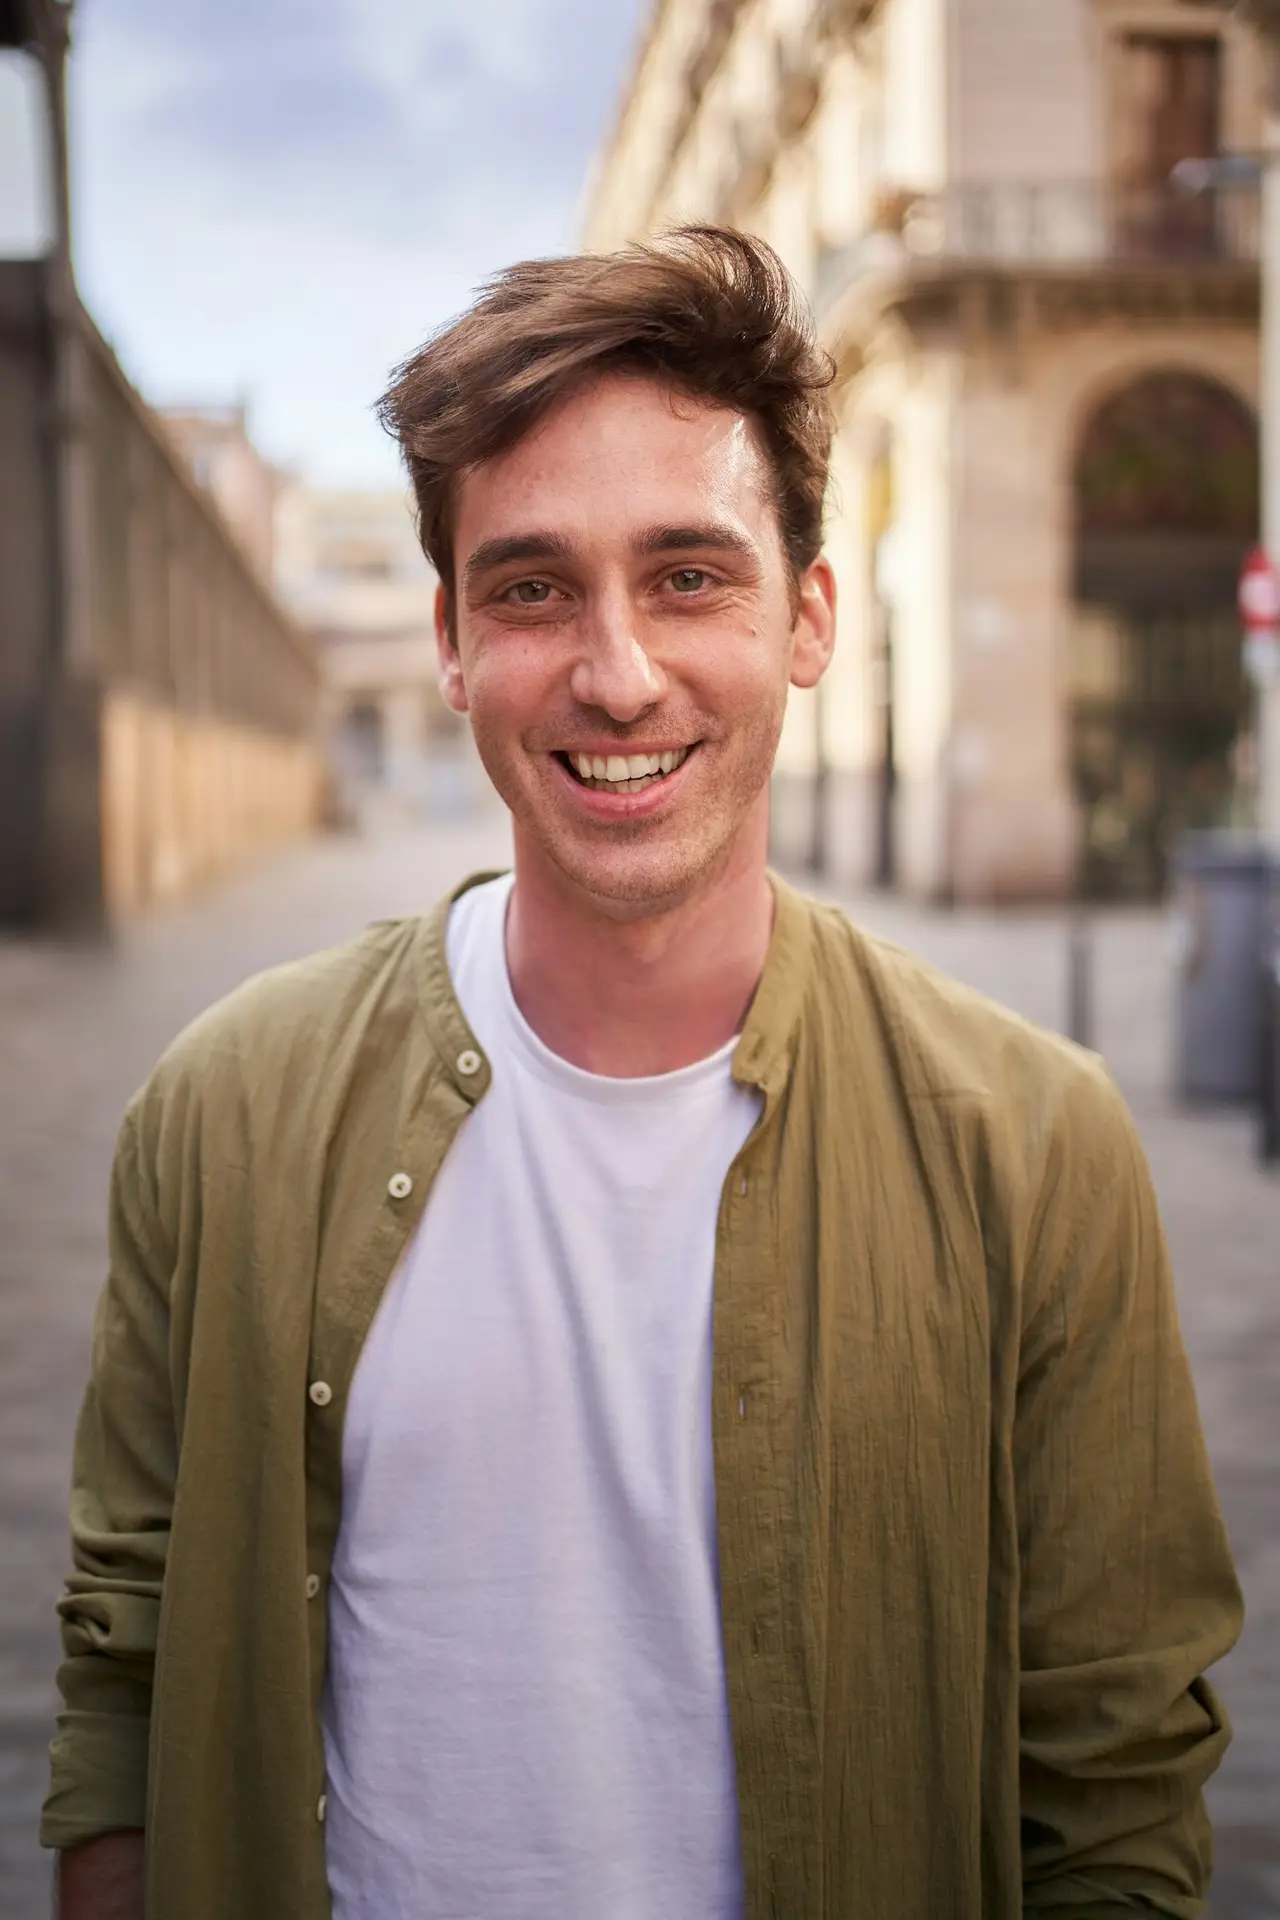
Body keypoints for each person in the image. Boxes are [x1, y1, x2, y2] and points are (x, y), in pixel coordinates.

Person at [44, 229, 1241, 1920]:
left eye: (690, 575)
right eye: (533, 588)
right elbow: (129, 1672)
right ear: (452, 642)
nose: (617, 672)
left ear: (809, 618)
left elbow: (1113, 1787)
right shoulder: (223, 1113)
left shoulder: (1034, 1149)